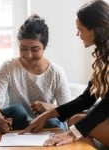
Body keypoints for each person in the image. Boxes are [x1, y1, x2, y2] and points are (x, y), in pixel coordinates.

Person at [21, 0, 109, 148]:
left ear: (94, 29)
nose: (77, 34)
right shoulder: (102, 57)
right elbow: (86, 99)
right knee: (74, 120)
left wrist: (71, 133)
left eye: (80, 29)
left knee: (76, 124)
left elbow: (107, 105)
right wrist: (46, 115)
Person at [0, 14, 71, 133]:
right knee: (18, 111)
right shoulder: (8, 67)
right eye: (23, 48)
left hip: (44, 124)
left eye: (35, 49)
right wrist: (0, 120)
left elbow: (69, 109)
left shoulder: (56, 73)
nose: (28, 55)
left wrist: (50, 107)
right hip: (17, 122)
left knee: (53, 121)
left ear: (44, 46)